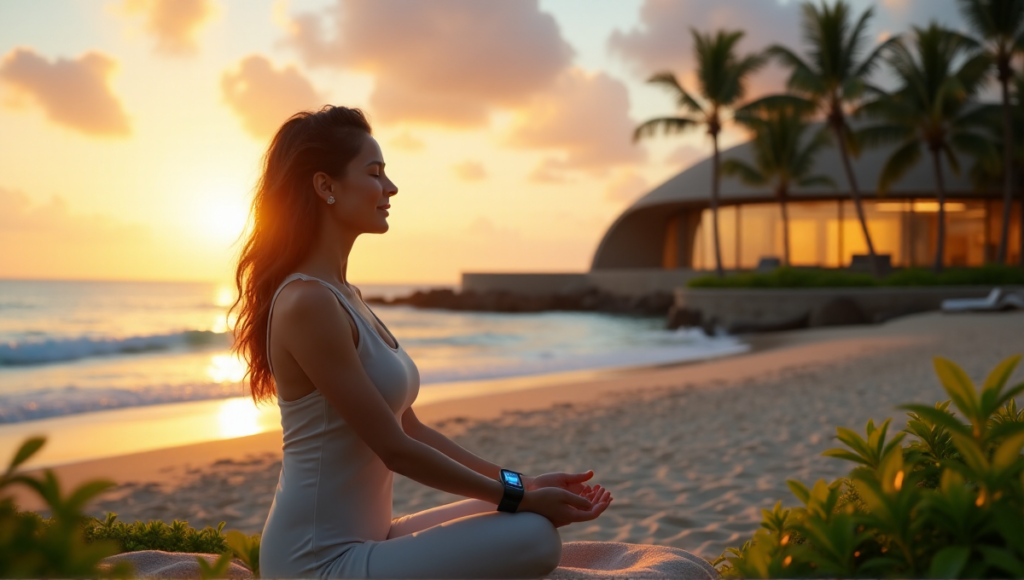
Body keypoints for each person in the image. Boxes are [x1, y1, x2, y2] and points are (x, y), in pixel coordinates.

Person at [230, 105, 613, 579]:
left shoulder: (345, 297)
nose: (390, 188)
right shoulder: (307, 303)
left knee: (527, 518)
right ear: (326, 186)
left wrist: (521, 483)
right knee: (533, 534)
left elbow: (410, 427)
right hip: (317, 562)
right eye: (375, 174)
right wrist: (521, 497)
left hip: (371, 538)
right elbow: (395, 449)